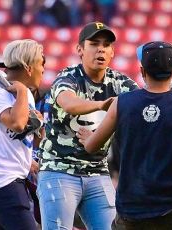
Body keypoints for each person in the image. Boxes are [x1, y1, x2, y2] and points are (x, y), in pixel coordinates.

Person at [77, 41, 172, 229]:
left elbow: (92, 146)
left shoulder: (121, 103)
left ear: (142, 71)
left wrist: (88, 138)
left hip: (131, 211)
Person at [37, 21, 139, 229]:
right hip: (59, 169)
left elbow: (144, 106)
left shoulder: (120, 83)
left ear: (112, 52)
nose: (101, 48)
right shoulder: (68, 77)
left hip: (97, 171)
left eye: (106, 44)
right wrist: (102, 105)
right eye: (94, 43)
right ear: (80, 50)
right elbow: (68, 102)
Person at [0, 39, 44, 229]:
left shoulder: (27, 95)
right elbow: (17, 124)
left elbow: (29, 140)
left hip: (12, 178)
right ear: (29, 68)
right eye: (40, 63)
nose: (43, 69)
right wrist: (21, 90)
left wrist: (39, 125)